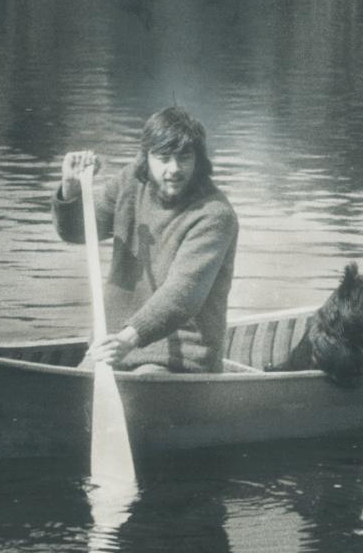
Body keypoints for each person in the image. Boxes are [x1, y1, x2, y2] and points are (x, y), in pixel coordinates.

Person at [53, 106, 239, 372]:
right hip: (113, 346)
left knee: (143, 380)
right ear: (146, 158)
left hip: (180, 356)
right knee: (82, 381)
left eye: (184, 157)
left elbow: (181, 295)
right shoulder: (129, 183)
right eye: (164, 157)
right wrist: (71, 188)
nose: (174, 169)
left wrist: (127, 339)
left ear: (198, 160)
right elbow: (78, 232)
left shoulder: (214, 215)